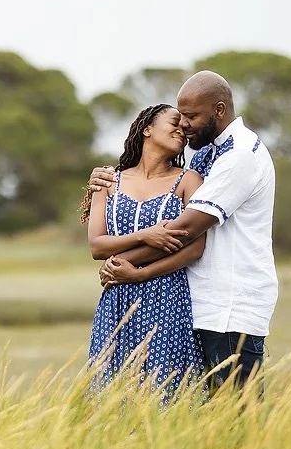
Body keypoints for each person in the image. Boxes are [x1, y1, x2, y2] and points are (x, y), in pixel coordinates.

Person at [87, 71, 279, 394]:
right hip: (202, 307)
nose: (184, 125)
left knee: (239, 416)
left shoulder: (240, 156)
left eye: (191, 116)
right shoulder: (208, 153)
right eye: (179, 117)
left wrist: (124, 265)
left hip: (230, 308)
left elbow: (187, 230)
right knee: (202, 416)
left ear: (218, 111)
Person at [82, 103, 207, 400]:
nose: (181, 128)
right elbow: (97, 246)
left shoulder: (189, 180)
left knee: (164, 393)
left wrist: (141, 273)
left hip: (168, 297)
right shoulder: (108, 180)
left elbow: (196, 247)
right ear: (147, 128)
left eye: (185, 126)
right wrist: (146, 235)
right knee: (111, 392)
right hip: (116, 299)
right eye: (174, 121)